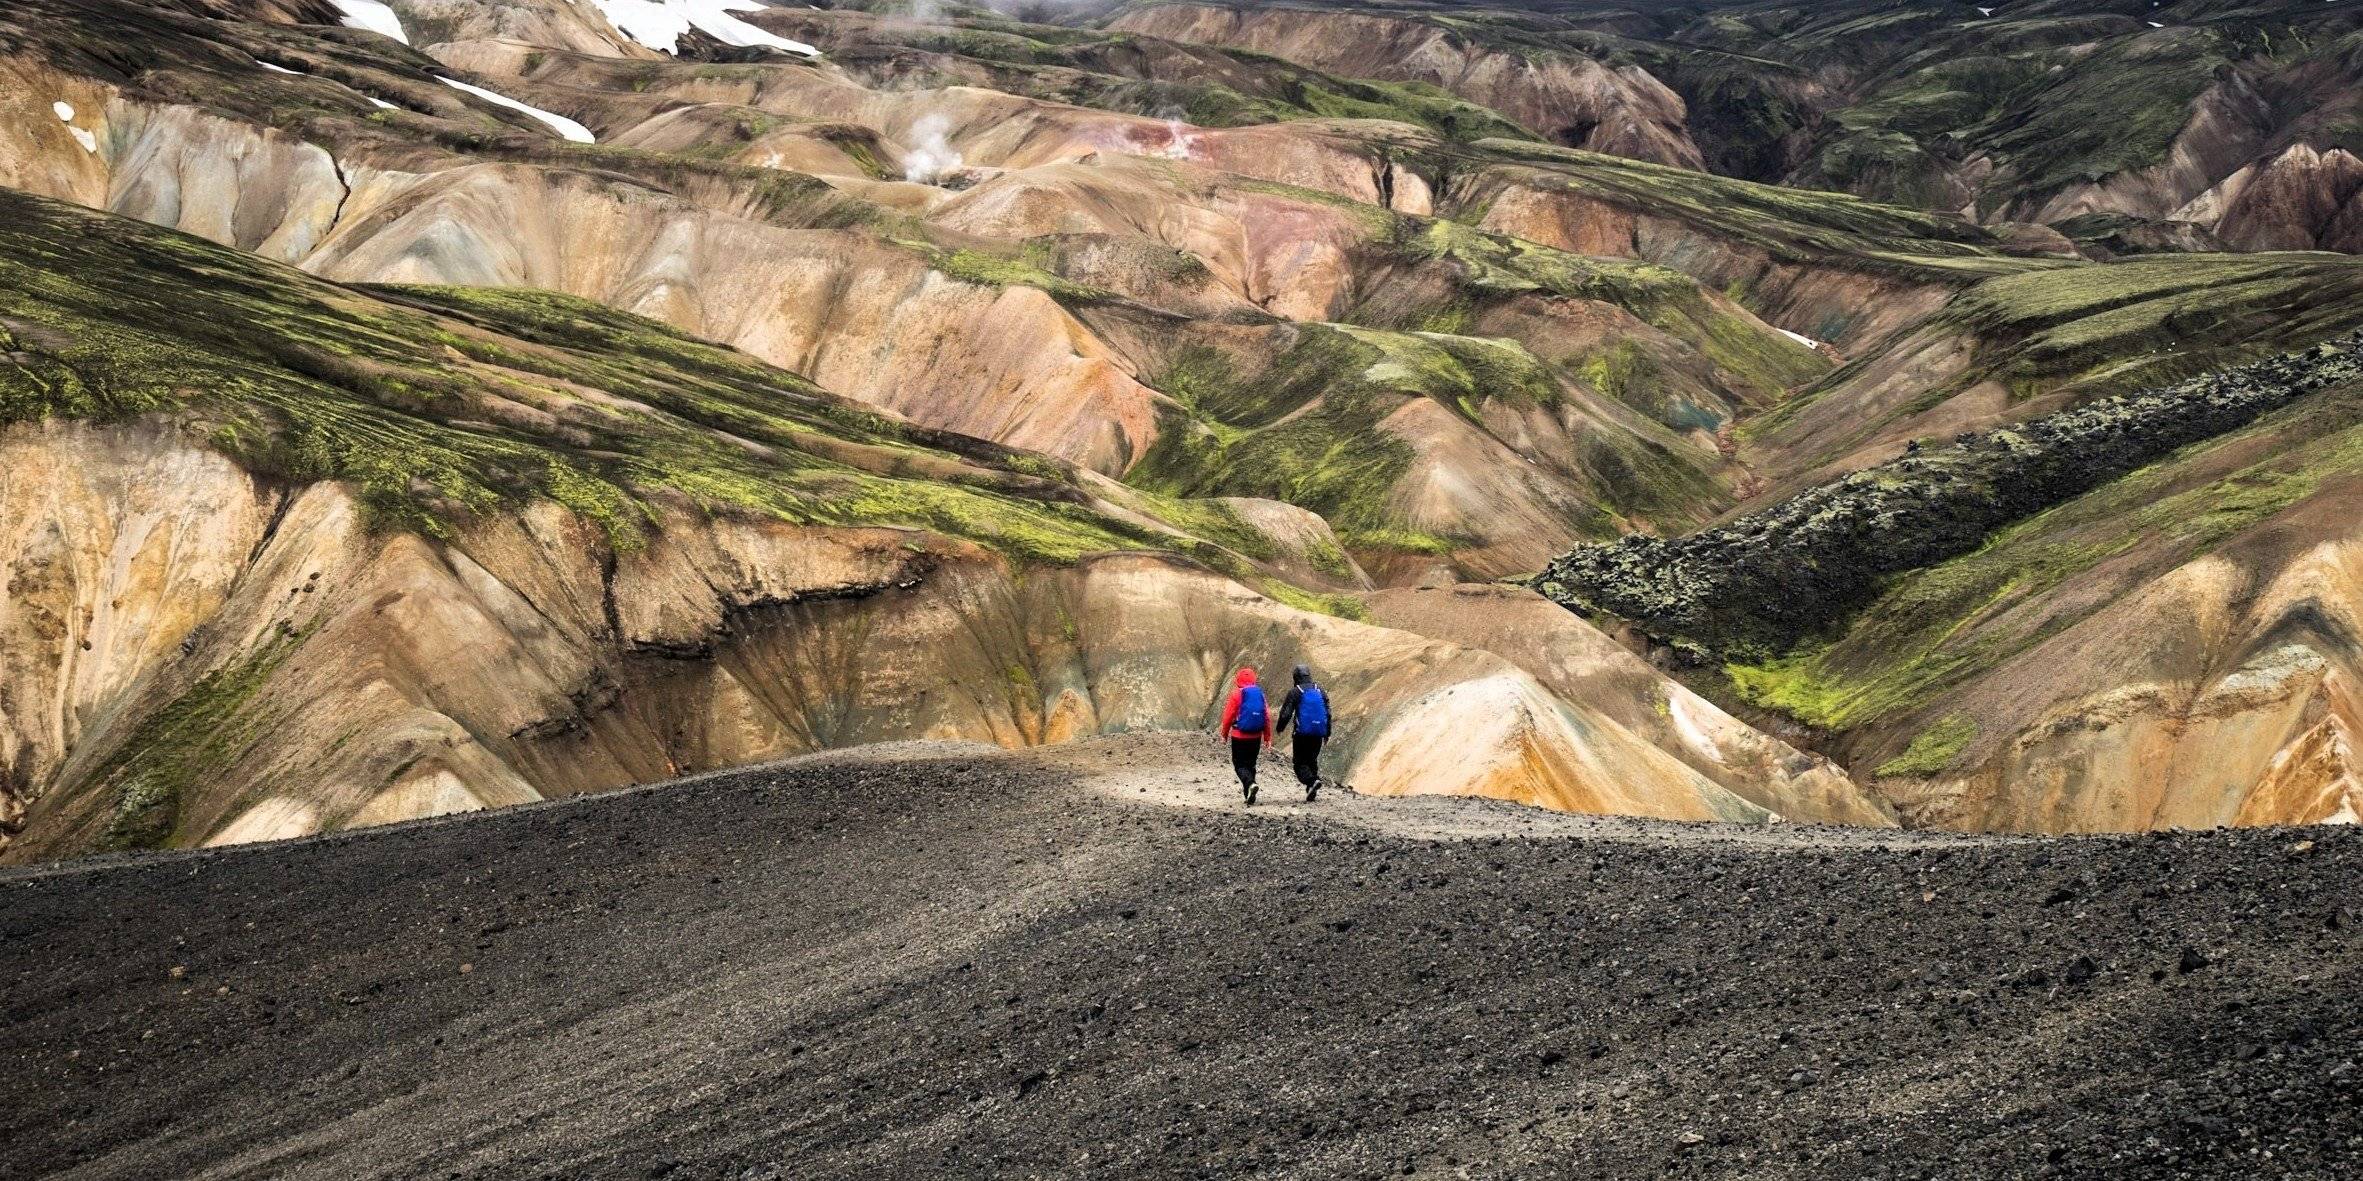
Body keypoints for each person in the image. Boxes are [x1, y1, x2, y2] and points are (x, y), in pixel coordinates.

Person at [1274, 664, 1332, 802]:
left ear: (1296, 677)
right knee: (1312, 760)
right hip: (1318, 733)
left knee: (1299, 763)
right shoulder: (1320, 690)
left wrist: (1280, 728)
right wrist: (1327, 733)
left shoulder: (1295, 692)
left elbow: (1286, 713)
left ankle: (1312, 782)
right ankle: (1311, 788)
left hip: (1301, 735)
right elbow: (1328, 713)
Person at [1217, 667, 1270, 805]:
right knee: (1251, 764)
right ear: (1253, 680)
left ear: (1237, 680)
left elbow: (1228, 717)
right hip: (1256, 736)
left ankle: (1250, 783)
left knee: (1239, 764)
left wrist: (1224, 734)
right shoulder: (1260, 695)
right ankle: (1249, 793)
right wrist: (1267, 737)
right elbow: (1266, 717)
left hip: (1239, 736)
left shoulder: (1236, 694)